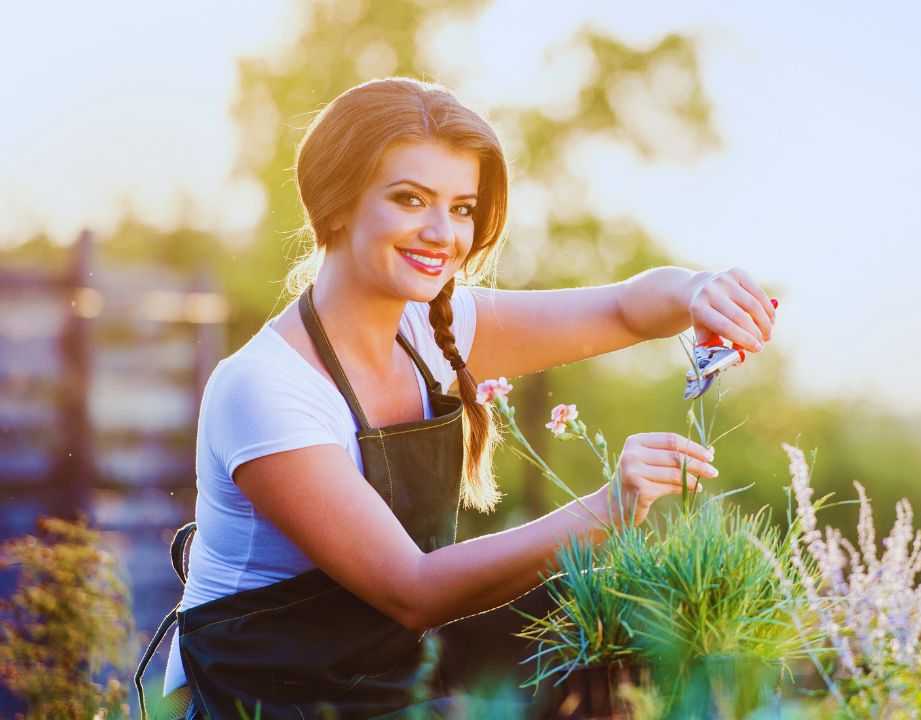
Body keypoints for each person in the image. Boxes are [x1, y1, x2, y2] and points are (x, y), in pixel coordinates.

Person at [135, 77, 776, 719]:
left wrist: (698, 290)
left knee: (633, 633)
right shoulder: (265, 387)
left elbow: (622, 309)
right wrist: (610, 505)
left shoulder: (431, 331)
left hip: (390, 670)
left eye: (463, 208)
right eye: (411, 199)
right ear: (337, 204)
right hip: (277, 699)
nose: (443, 233)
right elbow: (412, 590)